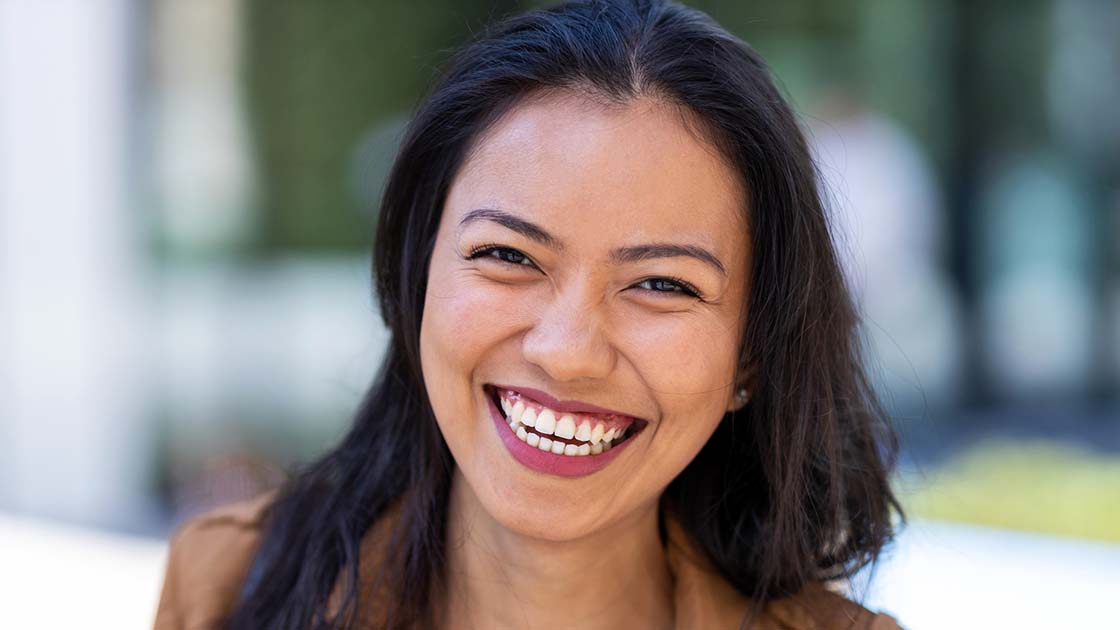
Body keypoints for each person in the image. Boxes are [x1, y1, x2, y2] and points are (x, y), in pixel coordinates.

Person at [154, 1, 903, 628]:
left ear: (751, 353)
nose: (567, 350)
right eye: (509, 256)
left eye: (663, 285)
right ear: (418, 275)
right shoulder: (229, 587)